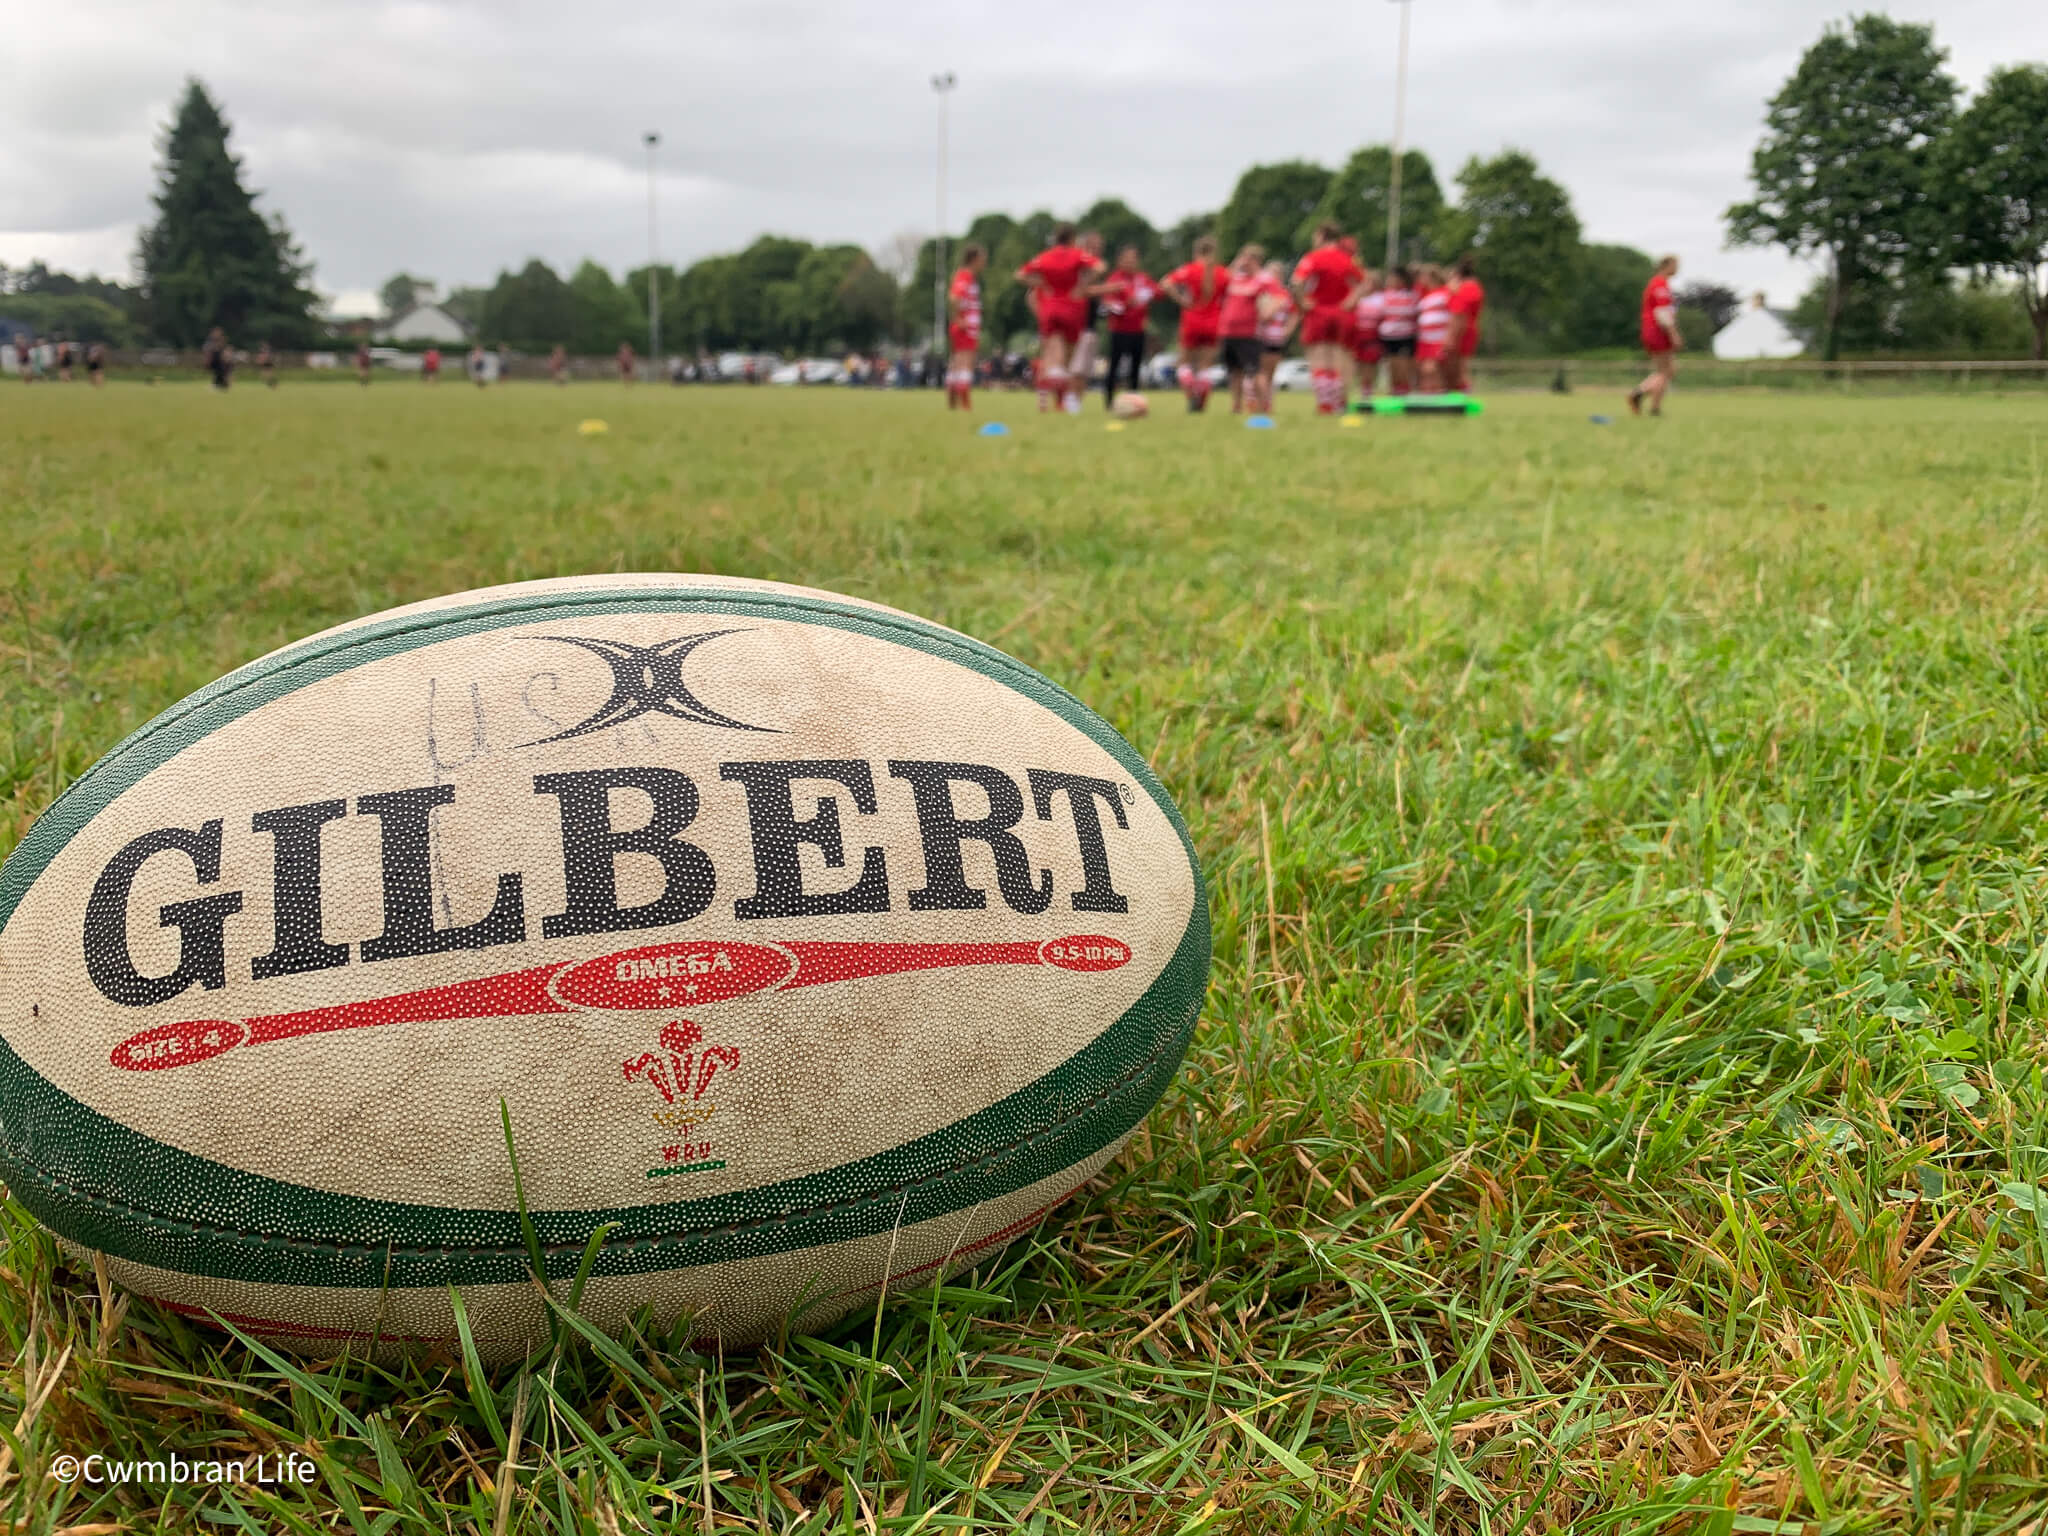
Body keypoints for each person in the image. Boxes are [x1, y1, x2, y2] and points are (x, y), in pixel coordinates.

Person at [1016, 223, 1102, 414]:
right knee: (1067, 358)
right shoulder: (1077, 255)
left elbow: (1021, 276)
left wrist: (1041, 283)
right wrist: (1081, 285)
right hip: (1072, 310)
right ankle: (1063, 394)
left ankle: (1052, 398)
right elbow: (1100, 266)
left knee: (1050, 354)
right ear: (1072, 239)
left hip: (1049, 311)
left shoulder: (1044, 257)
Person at [1292, 221, 1365, 414]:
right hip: (1342, 313)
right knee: (1340, 359)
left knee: (1319, 358)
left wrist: (1302, 302)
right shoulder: (1348, 259)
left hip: (1319, 311)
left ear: (1322, 235)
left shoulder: (1313, 258)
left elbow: (1297, 282)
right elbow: (1363, 283)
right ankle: (1339, 403)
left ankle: (1325, 404)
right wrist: (1351, 300)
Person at [1161, 235, 1225, 412]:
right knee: (1206, 366)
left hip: (1192, 319)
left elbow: (1165, 283)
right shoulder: (1221, 272)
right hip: (1214, 321)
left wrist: (1182, 300)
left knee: (1184, 363)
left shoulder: (1190, 269)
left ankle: (1190, 393)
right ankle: (1201, 403)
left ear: (1196, 251)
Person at [1216, 244, 1280, 415]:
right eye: (1242, 257)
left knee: (1255, 371)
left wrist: (1267, 313)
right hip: (1228, 332)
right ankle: (1236, 406)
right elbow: (1220, 278)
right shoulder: (1234, 278)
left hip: (1248, 334)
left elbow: (1280, 298)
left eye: (1248, 258)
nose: (1244, 261)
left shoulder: (1263, 279)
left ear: (1256, 261)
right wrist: (1236, 264)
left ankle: (1263, 406)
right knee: (1234, 372)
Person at [1095, 245, 1154, 409]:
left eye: (1133, 259)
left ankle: (1134, 401)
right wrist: (1125, 305)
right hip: (1119, 330)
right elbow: (1107, 303)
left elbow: (1155, 292)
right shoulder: (1114, 279)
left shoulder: (1143, 278)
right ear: (1119, 261)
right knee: (1114, 367)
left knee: (1135, 368)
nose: (1130, 262)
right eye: (1127, 259)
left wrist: (1145, 298)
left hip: (1138, 330)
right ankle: (1108, 402)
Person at [1631, 255, 1682, 416]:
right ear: (1667, 265)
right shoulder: (1660, 284)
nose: (1678, 268)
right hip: (1658, 331)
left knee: (1668, 370)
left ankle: (1646, 398)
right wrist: (1674, 334)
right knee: (1665, 371)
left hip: (1652, 331)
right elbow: (1662, 313)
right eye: (1676, 264)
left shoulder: (1657, 283)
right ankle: (1645, 399)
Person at [1067, 230, 1106, 410]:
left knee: (1084, 370)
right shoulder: (1078, 268)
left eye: (1099, 247)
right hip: (1076, 325)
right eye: (1092, 247)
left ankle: (1077, 404)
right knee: (1076, 368)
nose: (1096, 251)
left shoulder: (1092, 269)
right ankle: (1070, 403)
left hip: (1091, 325)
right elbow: (1081, 290)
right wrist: (1109, 288)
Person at [945, 242, 986, 410]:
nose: (984, 263)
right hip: (965, 328)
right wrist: (958, 318)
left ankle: (953, 405)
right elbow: (954, 297)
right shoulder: (965, 276)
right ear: (974, 259)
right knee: (964, 365)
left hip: (964, 327)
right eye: (983, 259)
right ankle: (965, 405)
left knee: (956, 365)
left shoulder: (966, 276)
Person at [1255, 259, 1298, 415]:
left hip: (1272, 337)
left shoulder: (1280, 294)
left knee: (1265, 373)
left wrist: (1287, 330)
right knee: (1262, 373)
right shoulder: (1264, 292)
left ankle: (1264, 403)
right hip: (1262, 336)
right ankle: (1261, 402)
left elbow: (1294, 314)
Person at [1445, 254, 1485, 393]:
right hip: (1467, 329)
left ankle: (1462, 397)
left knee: (1459, 367)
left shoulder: (1466, 288)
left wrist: (1451, 337)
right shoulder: (1473, 287)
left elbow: (1459, 314)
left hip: (1462, 331)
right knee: (1459, 366)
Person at [1377, 268, 1418, 395]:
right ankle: (1395, 388)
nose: (1389, 281)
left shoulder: (1412, 295)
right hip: (1388, 336)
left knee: (1403, 363)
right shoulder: (1385, 295)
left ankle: (1405, 388)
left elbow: (1412, 312)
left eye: (1392, 278)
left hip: (1406, 335)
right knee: (1392, 363)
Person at [1415, 265, 1452, 393]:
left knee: (1432, 368)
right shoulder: (1425, 295)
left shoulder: (1445, 292)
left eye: (1424, 276)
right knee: (1423, 369)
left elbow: (1453, 313)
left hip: (1439, 337)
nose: (1420, 279)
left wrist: (1449, 335)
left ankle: (1439, 391)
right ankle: (1428, 392)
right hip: (1425, 338)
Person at [1350, 272, 1384, 401]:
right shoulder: (1357, 298)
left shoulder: (1380, 298)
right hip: (1357, 335)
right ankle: (1361, 388)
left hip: (1372, 335)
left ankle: (1368, 390)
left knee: (1370, 363)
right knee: (1358, 364)